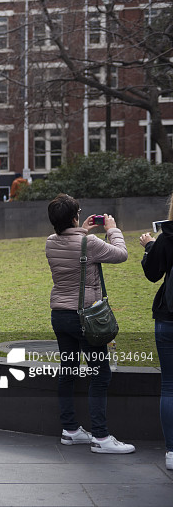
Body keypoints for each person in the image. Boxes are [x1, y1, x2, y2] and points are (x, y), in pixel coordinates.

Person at [45, 194, 133, 455]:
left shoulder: (50, 242)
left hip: (60, 315)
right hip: (85, 318)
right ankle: (101, 436)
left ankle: (70, 430)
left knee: (68, 370)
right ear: (74, 216)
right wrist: (112, 229)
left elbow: (70, 244)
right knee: (100, 373)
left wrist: (79, 229)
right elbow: (121, 255)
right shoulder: (90, 242)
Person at [140, 193, 173, 470]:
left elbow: (152, 274)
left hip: (168, 317)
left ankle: (172, 452)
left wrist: (150, 247)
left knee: (170, 386)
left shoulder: (167, 236)